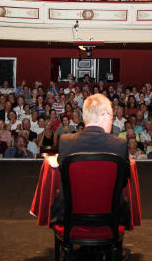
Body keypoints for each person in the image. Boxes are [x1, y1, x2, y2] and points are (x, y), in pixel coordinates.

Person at [52, 94, 130, 226]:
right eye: (112, 117)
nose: (112, 121)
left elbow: (64, 178)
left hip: (70, 213)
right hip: (110, 213)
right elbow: (123, 181)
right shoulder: (120, 144)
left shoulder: (65, 142)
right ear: (105, 116)